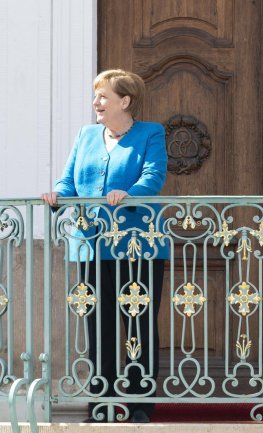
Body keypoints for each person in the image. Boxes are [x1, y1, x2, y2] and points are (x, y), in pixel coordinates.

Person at [42, 69, 168, 424]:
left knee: (138, 323)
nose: (96, 103)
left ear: (125, 101)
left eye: (103, 97)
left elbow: (153, 177)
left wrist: (130, 194)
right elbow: (68, 179)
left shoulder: (150, 133)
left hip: (138, 244)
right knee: (98, 323)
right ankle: (104, 401)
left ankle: (140, 402)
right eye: (96, 96)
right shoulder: (86, 135)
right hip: (91, 242)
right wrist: (57, 195)